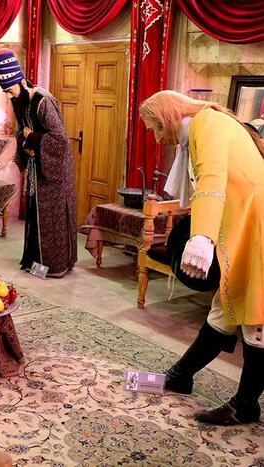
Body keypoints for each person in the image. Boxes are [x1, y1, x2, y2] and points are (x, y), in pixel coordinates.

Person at [140, 90, 264, 425]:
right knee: (225, 310)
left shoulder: (206, 122)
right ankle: (180, 376)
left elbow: (212, 180)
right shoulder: (202, 125)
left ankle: (245, 405)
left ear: (168, 116)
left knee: (257, 320)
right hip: (241, 227)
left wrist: (202, 237)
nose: (157, 137)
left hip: (256, 228)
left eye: (155, 127)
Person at [0, 49, 77, 278]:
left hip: (54, 170)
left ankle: (56, 266)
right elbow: (22, 131)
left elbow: (60, 140)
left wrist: (32, 138)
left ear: (19, 80)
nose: (9, 95)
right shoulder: (20, 101)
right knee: (35, 216)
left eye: (9, 90)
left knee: (51, 220)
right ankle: (37, 263)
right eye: (5, 91)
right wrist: (25, 139)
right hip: (36, 166)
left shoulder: (42, 101)